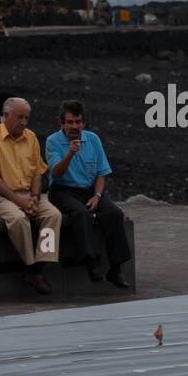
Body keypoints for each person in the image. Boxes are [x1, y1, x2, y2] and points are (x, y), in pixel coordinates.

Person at [0, 97, 62, 294]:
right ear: (5, 115)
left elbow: (37, 172)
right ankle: (31, 266)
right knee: (18, 219)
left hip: (28, 194)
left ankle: (41, 266)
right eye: (20, 117)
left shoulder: (31, 137)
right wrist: (20, 201)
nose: (24, 122)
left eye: (26, 117)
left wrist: (34, 197)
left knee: (53, 215)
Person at [45, 100, 131, 288]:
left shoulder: (93, 139)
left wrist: (97, 196)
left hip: (90, 190)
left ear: (83, 123)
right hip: (63, 190)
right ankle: (91, 262)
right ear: (61, 123)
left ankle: (116, 268)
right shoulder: (53, 141)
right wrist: (70, 153)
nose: (74, 126)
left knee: (114, 213)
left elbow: (101, 173)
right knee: (80, 214)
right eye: (70, 122)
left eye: (78, 122)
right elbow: (57, 173)